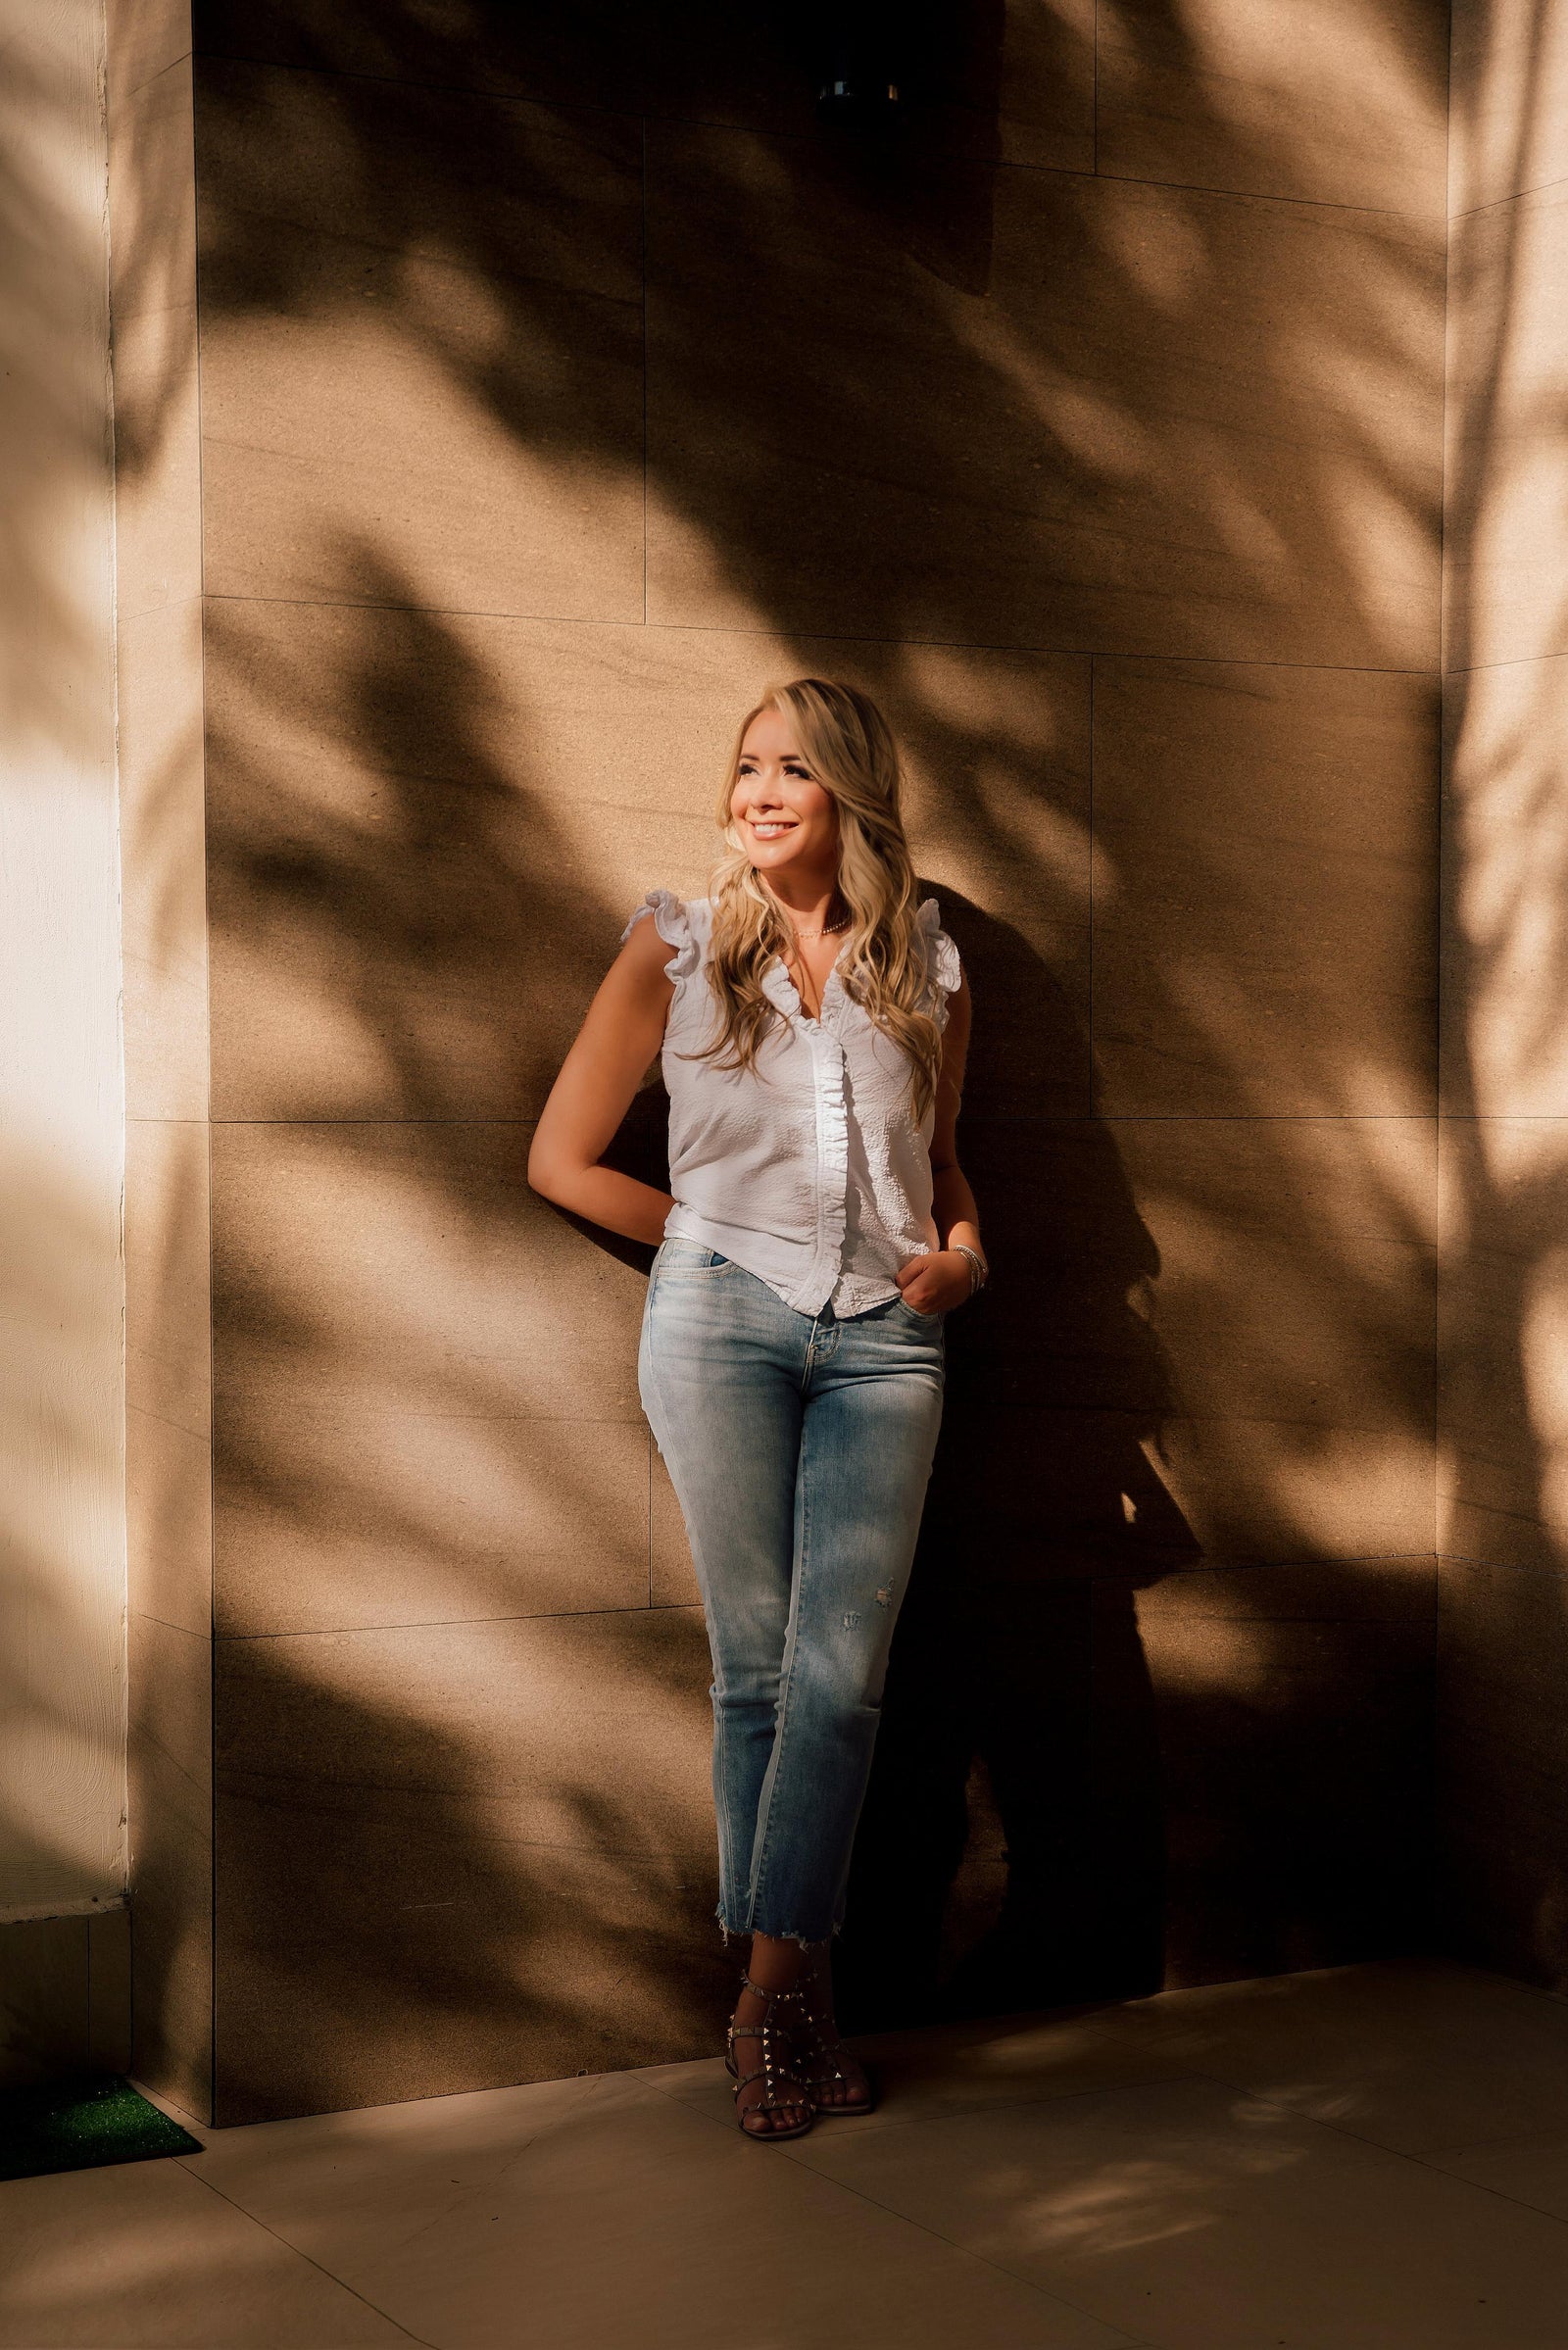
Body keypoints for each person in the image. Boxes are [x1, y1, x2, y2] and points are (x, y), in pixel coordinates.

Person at [528, 677, 985, 2140]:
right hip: (719, 1323)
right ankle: (801, 2009)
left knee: (839, 1676)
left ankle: (762, 1998)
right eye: (746, 766)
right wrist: (709, 1248)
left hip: (889, 1345)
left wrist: (966, 1254)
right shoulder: (675, 946)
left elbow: (947, 1162)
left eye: (795, 766)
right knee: (758, 1674)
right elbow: (562, 1157)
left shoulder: (925, 959)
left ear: (854, 787)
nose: (762, 791)